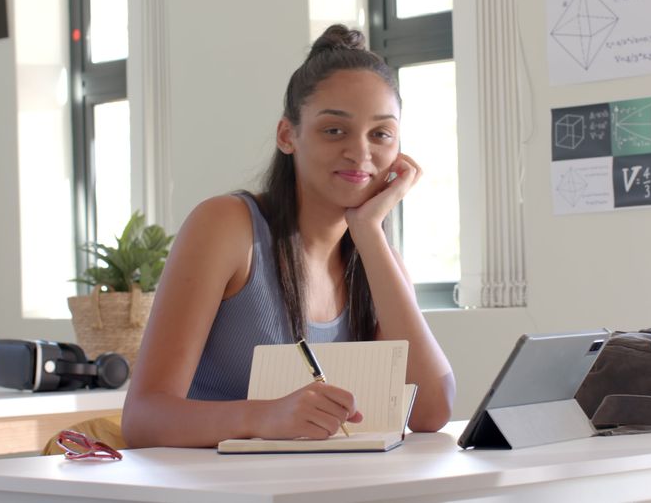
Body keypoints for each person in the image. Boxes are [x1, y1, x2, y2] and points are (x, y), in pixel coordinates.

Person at [122, 25, 455, 448]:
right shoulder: (226, 226)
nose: (360, 152)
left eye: (381, 134)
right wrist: (265, 415)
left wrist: (370, 232)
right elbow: (142, 419)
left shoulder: (375, 258)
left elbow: (431, 411)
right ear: (287, 135)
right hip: (217, 481)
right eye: (334, 130)